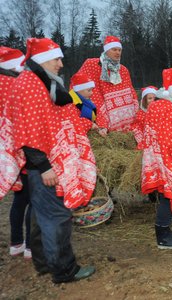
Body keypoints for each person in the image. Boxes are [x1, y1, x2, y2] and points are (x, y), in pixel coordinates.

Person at [5, 38, 95, 283]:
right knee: (58, 217)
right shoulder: (31, 85)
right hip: (43, 166)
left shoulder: (39, 82)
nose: (61, 64)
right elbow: (28, 131)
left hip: (42, 164)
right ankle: (65, 270)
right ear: (44, 60)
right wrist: (44, 166)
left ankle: (43, 262)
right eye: (57, 58)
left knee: (39, 215)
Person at [141, 67, 172, 249]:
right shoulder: (169, 108)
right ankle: (162, 236)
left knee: (165, 194)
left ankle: (165, 230)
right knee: (168, 195)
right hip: (167, 159)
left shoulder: (157, 104)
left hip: (155, 158)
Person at [0, 46, 31, 259]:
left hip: (7, 153)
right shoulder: (17, 86)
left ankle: (16, 242)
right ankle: (31, 246)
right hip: (25, 149)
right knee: (33, 199)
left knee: (19, 199)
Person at [77, 35, 138, 134]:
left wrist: (135, 106)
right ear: (106, 50)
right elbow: (78, 82)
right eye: (114, 49)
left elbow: (130, 89)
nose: (118, 52)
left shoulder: (123, 70)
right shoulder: (93, 65)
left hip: (126, 123)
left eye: (119, 50)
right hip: (101, 106)